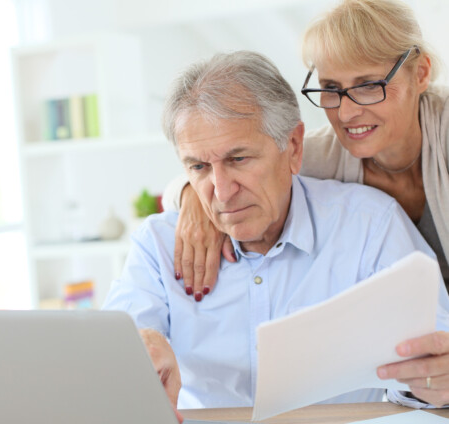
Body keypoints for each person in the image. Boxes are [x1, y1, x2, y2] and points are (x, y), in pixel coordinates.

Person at [104, 50, 449, 419]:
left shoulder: (370, 226)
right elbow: (117, 348)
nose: (221, 191)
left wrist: (433, 383)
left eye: (239, 159)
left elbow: (434, 364)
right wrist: (136, 351)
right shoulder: (157, 245)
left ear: (294, 148)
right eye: (199, 166)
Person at [164, 0, 449, 298]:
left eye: (368, 86)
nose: (346, 113)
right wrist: (194, 201)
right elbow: (206, 169)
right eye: (330, 88)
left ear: (420, 74)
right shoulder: (317, 154)